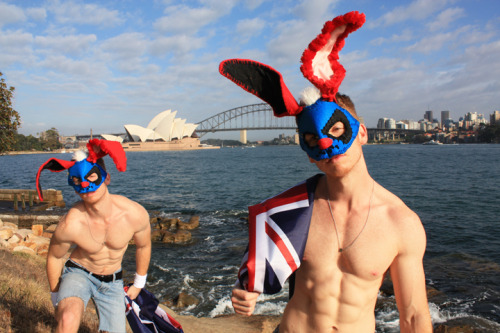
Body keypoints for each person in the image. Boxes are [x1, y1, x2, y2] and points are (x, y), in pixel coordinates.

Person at [220, 11, 432, 332]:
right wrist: (246, 292)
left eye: (336, 130)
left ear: (361, 133)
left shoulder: (401, 223)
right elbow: (257, 270)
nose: (325, 144)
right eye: (311, 140)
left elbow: (414, 317)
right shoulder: (291, 209)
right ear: (308, 155)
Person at [36, 139, 151, 333]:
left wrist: (139, 283)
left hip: (113, 282)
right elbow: (55, 256)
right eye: (77, 181)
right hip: (79, 273)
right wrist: (55, 296)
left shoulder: (134, 214)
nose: (84, 184)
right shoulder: (71, 223)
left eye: (91, 177)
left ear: (106, 178)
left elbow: (143, 246)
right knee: (68, 318)